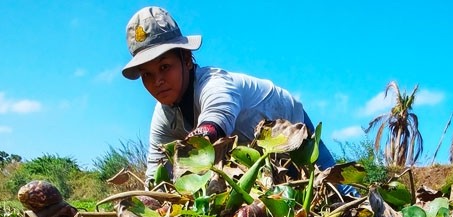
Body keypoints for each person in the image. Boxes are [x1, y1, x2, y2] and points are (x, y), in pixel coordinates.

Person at [122, 6, 336, 181]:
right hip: (255, 160)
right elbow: (156, 173)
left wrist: (195, 144)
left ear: (186, 60)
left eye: (164, 67)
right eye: (146, 74)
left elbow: (216, 119)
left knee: (336, 190)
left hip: (291, 127)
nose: (157, 80)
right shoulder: (164, 115)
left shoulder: (214, 83)